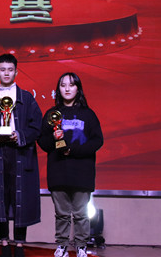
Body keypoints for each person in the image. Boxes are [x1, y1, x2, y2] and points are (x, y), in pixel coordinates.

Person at [0, 54, 42, 257]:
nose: (6, 73)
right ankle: (5, 242)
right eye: (2, 69)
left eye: (10, 69)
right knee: (0, 197)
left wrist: (20, 135)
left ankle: (19, 244)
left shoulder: (27, 98)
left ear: (16, 72)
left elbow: (37, 127)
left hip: (21, 153)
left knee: (20, 197)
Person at [37, 73, 104, 257]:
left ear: (78, 89)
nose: (67, 89)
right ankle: (62, 246)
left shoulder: (88, 114)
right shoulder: (52, 114)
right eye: (63, 85)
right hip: (58, 171)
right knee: (62, 214)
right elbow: (42, 141)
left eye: (71, 85)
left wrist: (72, 150)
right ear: (58, 89)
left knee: (81, 214)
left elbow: (97, 141)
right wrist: (54, 139)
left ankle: (81, 246)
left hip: (82, 172)